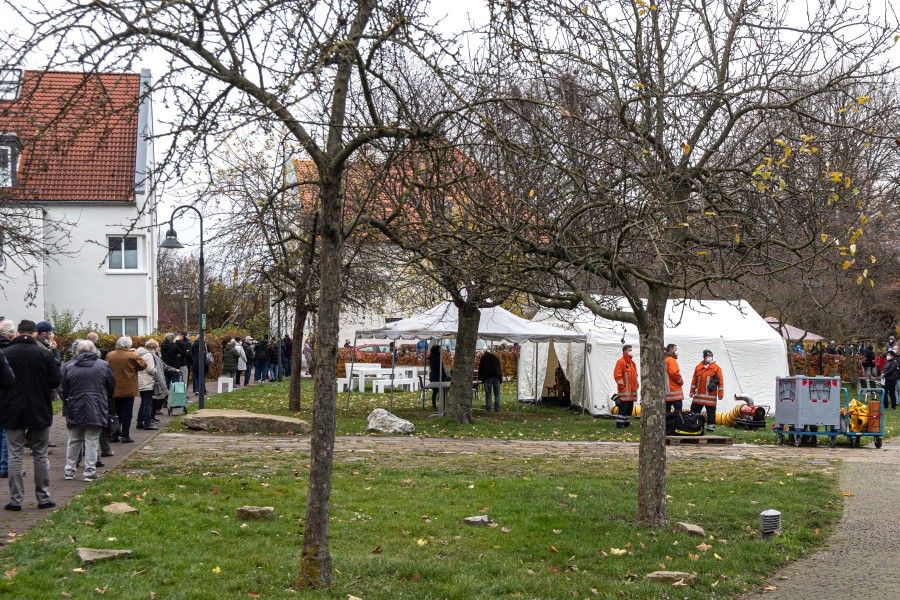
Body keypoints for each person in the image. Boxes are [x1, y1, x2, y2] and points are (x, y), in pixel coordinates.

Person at [0, 320, 61, 511]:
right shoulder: (43, 354)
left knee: (15, 455)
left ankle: (16, 500)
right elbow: (55, 380)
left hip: (11, 409)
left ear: (17, 333)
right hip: (39, 408)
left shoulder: (6, 353)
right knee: (40, 454)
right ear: (35, 333)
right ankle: (43, 498)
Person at [61, 341, 114, 482]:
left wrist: (68, 400)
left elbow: (64, 390)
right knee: (91, 440)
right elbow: (111, 387)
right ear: (94, 350)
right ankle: (90, 471)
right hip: (96, 406)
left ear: (77, 351)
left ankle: (69, 470)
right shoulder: (103, 366)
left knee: (74, 440)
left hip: (75, 407)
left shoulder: (69, 367)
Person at [106, 336, 147, 443]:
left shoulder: (110, 355)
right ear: (128, 345)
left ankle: (114, 434)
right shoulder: (132, 355)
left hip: (113, 388)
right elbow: (143, 365)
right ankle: (125, 435)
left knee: (115, 413)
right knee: (127, 414)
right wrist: (136, 354)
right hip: (128, 389)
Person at [690, 349, 724, 432]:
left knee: (711, 413)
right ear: (704, 357)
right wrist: (692, 391)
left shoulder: (716, 368)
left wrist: (720, 394)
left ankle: (710, 428)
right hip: (698, 397)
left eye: (711, 356)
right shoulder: (698, 367)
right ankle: (693, 426)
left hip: (710, 396)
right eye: (708, 356)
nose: (710, 358)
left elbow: (721, 382)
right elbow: (694, 380)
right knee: (694, 411)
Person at [0, 319, 17, 478]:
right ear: (11, 335)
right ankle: (5, 465)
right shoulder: (12, 351)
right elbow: (9, 380)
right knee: (6, 432)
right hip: (6, 398)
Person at [135, 341, 161, 431]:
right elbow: (150, 369)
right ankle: (147, 423)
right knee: (147, 403)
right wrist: (157, 371)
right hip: (147, 380)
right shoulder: (149, 355)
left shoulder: (138, 353)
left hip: (140, 380)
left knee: (143, 402)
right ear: (153, 347)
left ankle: (139, 422)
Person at [613, 344, 638, 428]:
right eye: (629, 350)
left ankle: (627, 423)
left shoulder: (632, 363)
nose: (631, 351)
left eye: (631, 350)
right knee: (623, 408)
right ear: (624, 351)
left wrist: (636, 385)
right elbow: (617, 375)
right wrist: (622, 387)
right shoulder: (621, 362)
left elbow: (635, 376)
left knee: (629, 408)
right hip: (624, 391)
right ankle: (620, 424)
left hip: (632, 391)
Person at [428, 345, 451, 410]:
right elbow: (441, 368)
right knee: (442, 390)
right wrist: (444, 375)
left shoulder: (431, 357)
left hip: (433, 375)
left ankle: (434, 404)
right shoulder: (438, 357)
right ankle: (444, 404)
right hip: (438, 376)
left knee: (434, 391)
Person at [664, 344, 684, 412]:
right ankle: (677, 423)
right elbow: (674, 373)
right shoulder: (671, 360)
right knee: (678, 412)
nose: (676, 351)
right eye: (675, 349)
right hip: (674, 392)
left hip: (666, 393)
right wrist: (680, 381)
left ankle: (668, 423)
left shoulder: (664, 360)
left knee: (666, 413)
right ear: (671, 350)